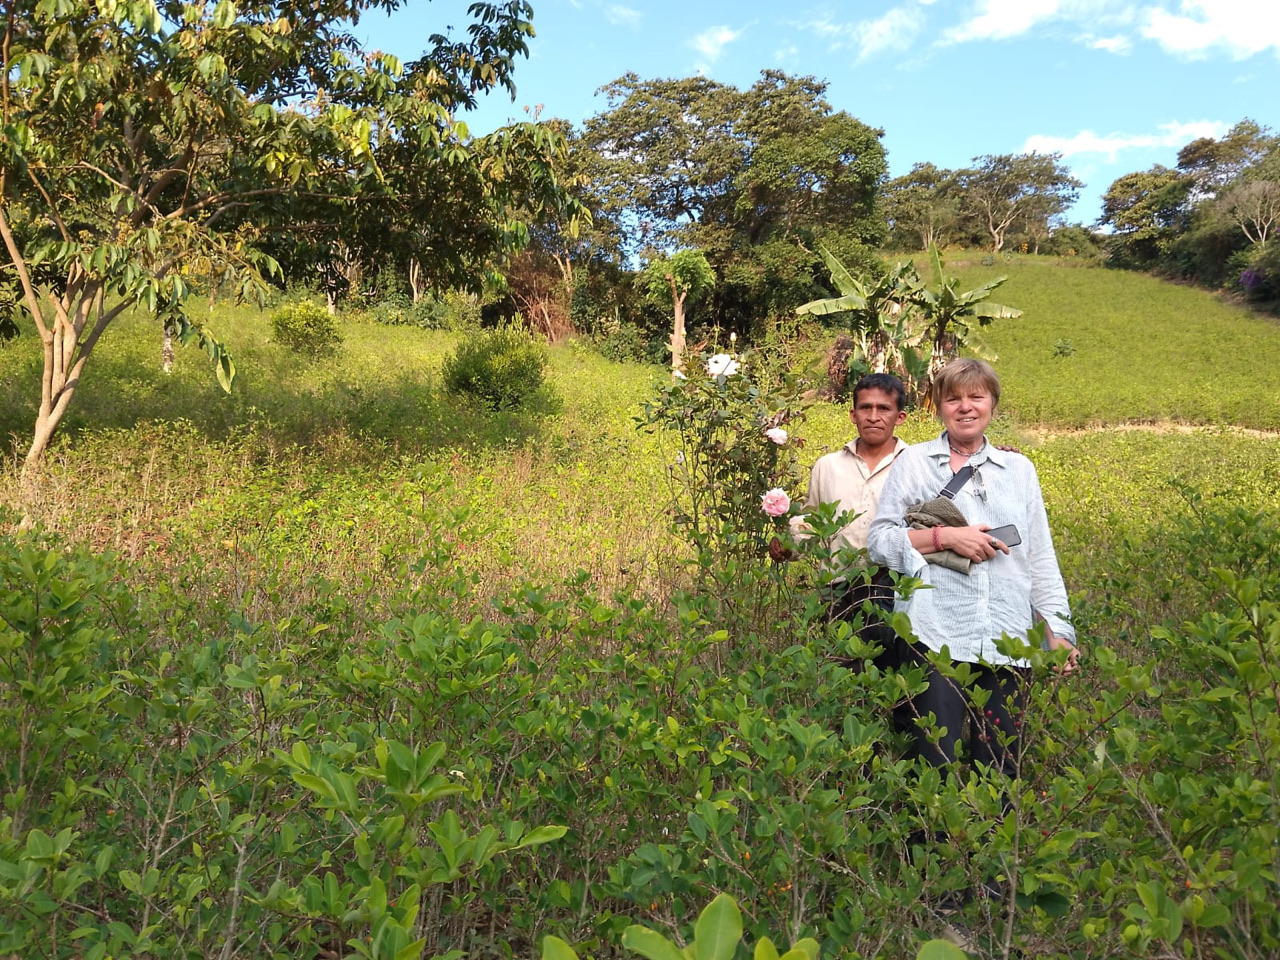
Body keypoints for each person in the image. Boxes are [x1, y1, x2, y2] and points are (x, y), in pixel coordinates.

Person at [867, 358, 1078, 775]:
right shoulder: (915, 463)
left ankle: (995, 841)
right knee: (931, 764)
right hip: (934, 634)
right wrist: (947, 538)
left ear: (992, 404)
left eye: (976, 397)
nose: (965, 407)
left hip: (1008, 639)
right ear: (939, 407)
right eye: (953, 399)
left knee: (999, 768)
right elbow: (880, 540)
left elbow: (1039, 558)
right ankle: (924, 842)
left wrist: (1059, 631)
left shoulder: (1019, 470)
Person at [776, 372, 910, 668]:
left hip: (895, 591)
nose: (873, 416)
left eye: (883, 408)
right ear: (852, 414)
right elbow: (812, 523)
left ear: (899, 417)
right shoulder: (828, 467)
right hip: (837, 592)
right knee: (841, 678)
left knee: (892, 684)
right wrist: (789, 544)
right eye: (865, 407)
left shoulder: (916, 466)